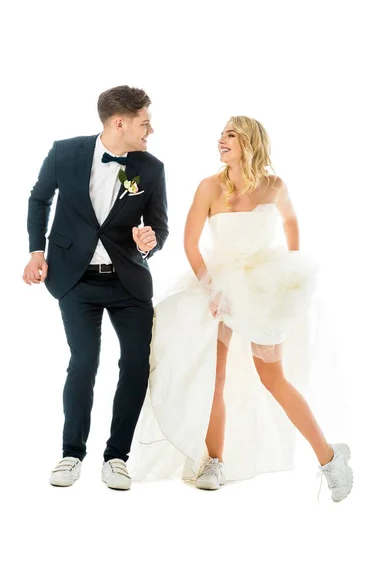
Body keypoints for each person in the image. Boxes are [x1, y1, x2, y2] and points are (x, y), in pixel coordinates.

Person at [131, 116, 352, 503]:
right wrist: (210, 287)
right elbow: (190, 242)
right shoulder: (210, 187)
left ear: (250, 141)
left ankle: (331, 459)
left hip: (263, 286)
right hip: (220, 284)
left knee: (273, 378)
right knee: (215, 377)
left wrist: (289, 276)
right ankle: (214, 461)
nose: (221, 140)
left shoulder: (275, 186)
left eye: (230, 134)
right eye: (221, 134)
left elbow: (292, 222)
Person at [23, 85, 168, 490]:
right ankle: (71, 454)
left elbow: (160, 224)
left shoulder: (151, 168)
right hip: (74, 279)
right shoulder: (64, 152)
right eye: (145, 123)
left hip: (128, 283)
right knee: (84, 361)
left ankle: (116, 457)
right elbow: (39, 199)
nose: (151, 130)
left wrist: (151, 241)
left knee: (136, 365)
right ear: (119, 123)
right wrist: (36, 251)